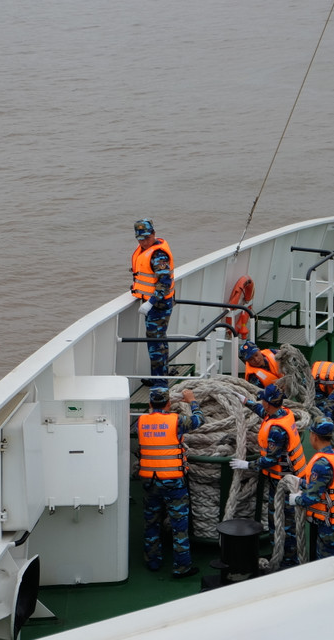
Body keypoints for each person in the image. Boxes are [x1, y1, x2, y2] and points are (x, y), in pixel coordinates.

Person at [229, 383, 306, 568]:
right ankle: (280, 553)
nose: (260, 400)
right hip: (287, 476)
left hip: (284, 482)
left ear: (269, 403)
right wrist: (246, 402)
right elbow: (263, 413)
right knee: (278, 518)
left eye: (262, 399)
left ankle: (288, 559)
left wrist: (247, 464)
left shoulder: (277, 431)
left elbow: (270, 461)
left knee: (282, 520)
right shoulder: (283, 413)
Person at [137, 386, 204, 579]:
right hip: (173, 483)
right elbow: (200, 420)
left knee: (151, 522)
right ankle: (181, 567)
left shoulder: (141, 422)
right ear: (168, 403)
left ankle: (153, 561)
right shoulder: (176, 420)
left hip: (150, 482)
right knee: (179, 525)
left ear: (150, 403)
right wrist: (191, 400)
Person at [288, 419, 334, 559]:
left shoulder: (321, 464)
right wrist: (303, 482)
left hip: (330, 527)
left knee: (328, 565)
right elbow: (327, 485)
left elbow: (312, 498)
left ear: (314, 436)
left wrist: (296, 499)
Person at [131, 218, 174, 387]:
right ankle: (159, 377)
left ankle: (160, 383)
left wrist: (151, 302)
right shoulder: (144, 250)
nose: (144, 241)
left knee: (156, 346)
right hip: (153, 305)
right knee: (157, 343)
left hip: (158, 307)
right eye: (140, 239)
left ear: (154, 234)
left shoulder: (158, 254)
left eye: (147, 238)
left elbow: (165, 281)